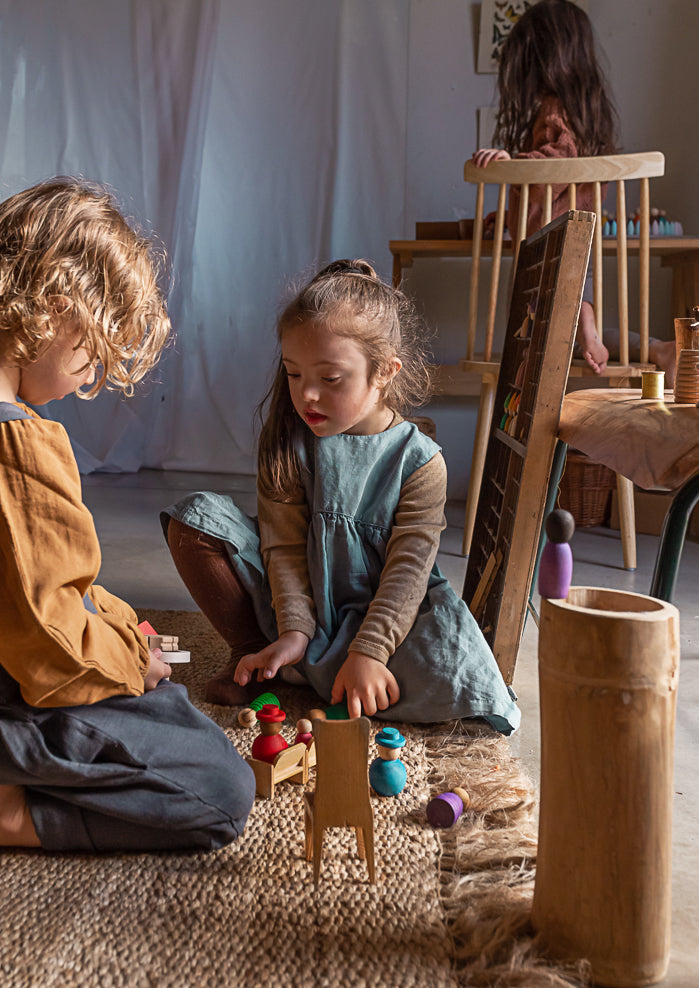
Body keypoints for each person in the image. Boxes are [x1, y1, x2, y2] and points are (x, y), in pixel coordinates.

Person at [0, 177, 255, 852]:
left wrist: (121, 633)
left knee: (161, 698)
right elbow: (51, 650)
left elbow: (39, 590)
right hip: (14, 693)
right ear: (57, 312)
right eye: (92, 358)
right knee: (221, 785)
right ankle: (12, 814)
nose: (87, 384)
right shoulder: (14, 443)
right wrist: (126, 665)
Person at [163, 259, 520, 734]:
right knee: (195, 519)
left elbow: (407, 574)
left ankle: (334, 669)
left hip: (384, 617)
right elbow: (285, 550)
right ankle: (259, 654)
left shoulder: (420, 463)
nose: (306, 394)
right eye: (293, 374)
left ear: (385, 372)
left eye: (330, 379)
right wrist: (294, 630)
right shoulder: (290, 443)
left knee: (458, 670)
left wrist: (370, 652)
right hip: (297, 607)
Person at [472, 0, 676, 384]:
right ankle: (652, 346)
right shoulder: (583, 109)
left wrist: (512, 165)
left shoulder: (554, 109)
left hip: (553, 243)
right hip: (578, 242)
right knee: (568, 337)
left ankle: (582, 325)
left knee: (540, 331)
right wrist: (509, 214)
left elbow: (555, 166)